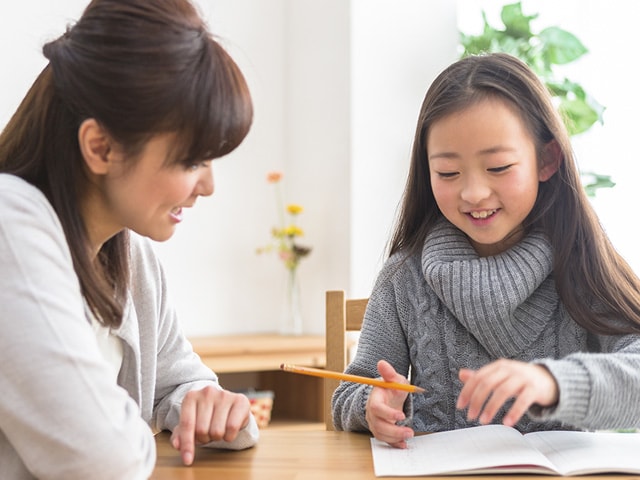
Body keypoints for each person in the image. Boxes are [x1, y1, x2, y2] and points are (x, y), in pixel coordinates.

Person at [0, 0, 259, 478]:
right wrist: (138, 427)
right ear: (101, 147)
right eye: (191, 161)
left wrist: (206, 405)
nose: (208, 186)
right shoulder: (9, 226)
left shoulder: (130, 251)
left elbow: (178, 384)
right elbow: (101, 460)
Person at [331, 52, 640, 449]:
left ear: (546, 160)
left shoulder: (581, 266)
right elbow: (346, 394)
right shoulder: (403, 278)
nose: (473, 193)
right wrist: (372, 406)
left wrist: (554, 382)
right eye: (447, 173)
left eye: (497, 168)